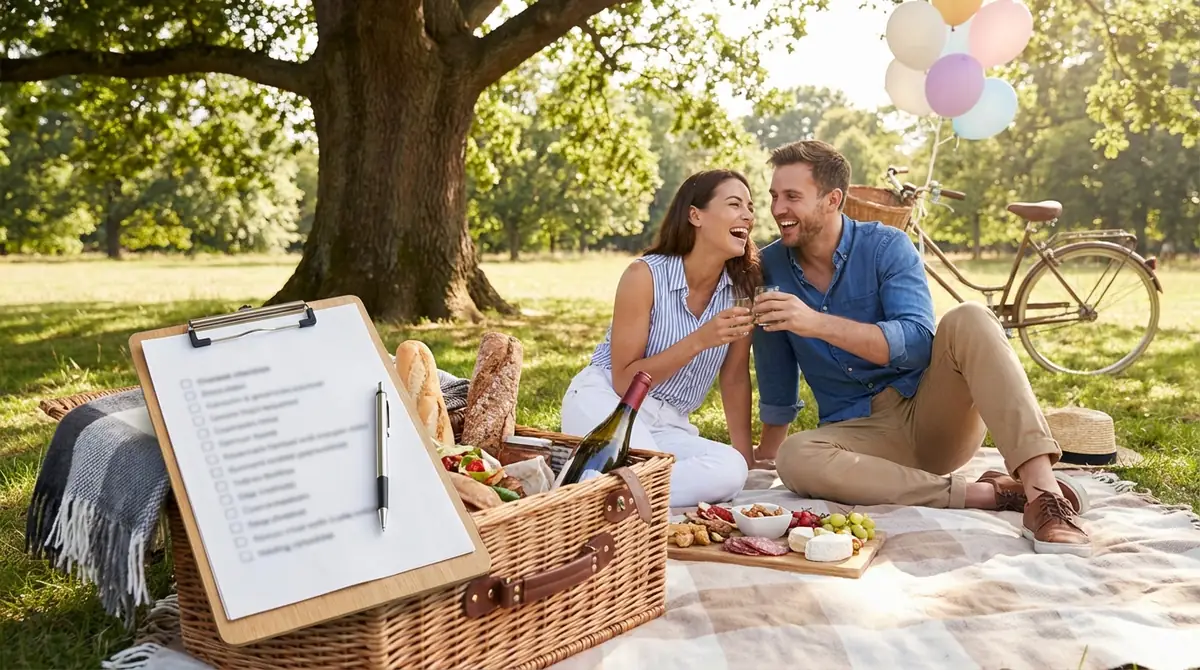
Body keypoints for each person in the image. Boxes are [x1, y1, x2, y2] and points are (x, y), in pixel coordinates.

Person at [750, 139, 1092, 556]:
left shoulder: (886, 246)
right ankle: (993, 495)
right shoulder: (769, 268)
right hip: (863, 438)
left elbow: (915, 344)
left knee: (971, 316)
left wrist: (817, 323)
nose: (778, 208)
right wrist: (767, 456)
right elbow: (775, 369)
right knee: (795, 458)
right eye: (773, 196)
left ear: (832, 199)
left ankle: (1043, 496)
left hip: (933, 418)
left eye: (791, 196)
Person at [560, 169, 760, 508]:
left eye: (751, 207)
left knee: (731, 470)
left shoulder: (741, 289)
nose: (748, 215)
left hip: (669, 424)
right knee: (648, 468)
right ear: (696, 215)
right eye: (734, 204)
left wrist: (747, 455)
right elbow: (625, 380)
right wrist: (699, 339)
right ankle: (607, 492)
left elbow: (735, 376)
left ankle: (596, 491)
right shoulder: (645, 275)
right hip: (609, 406)